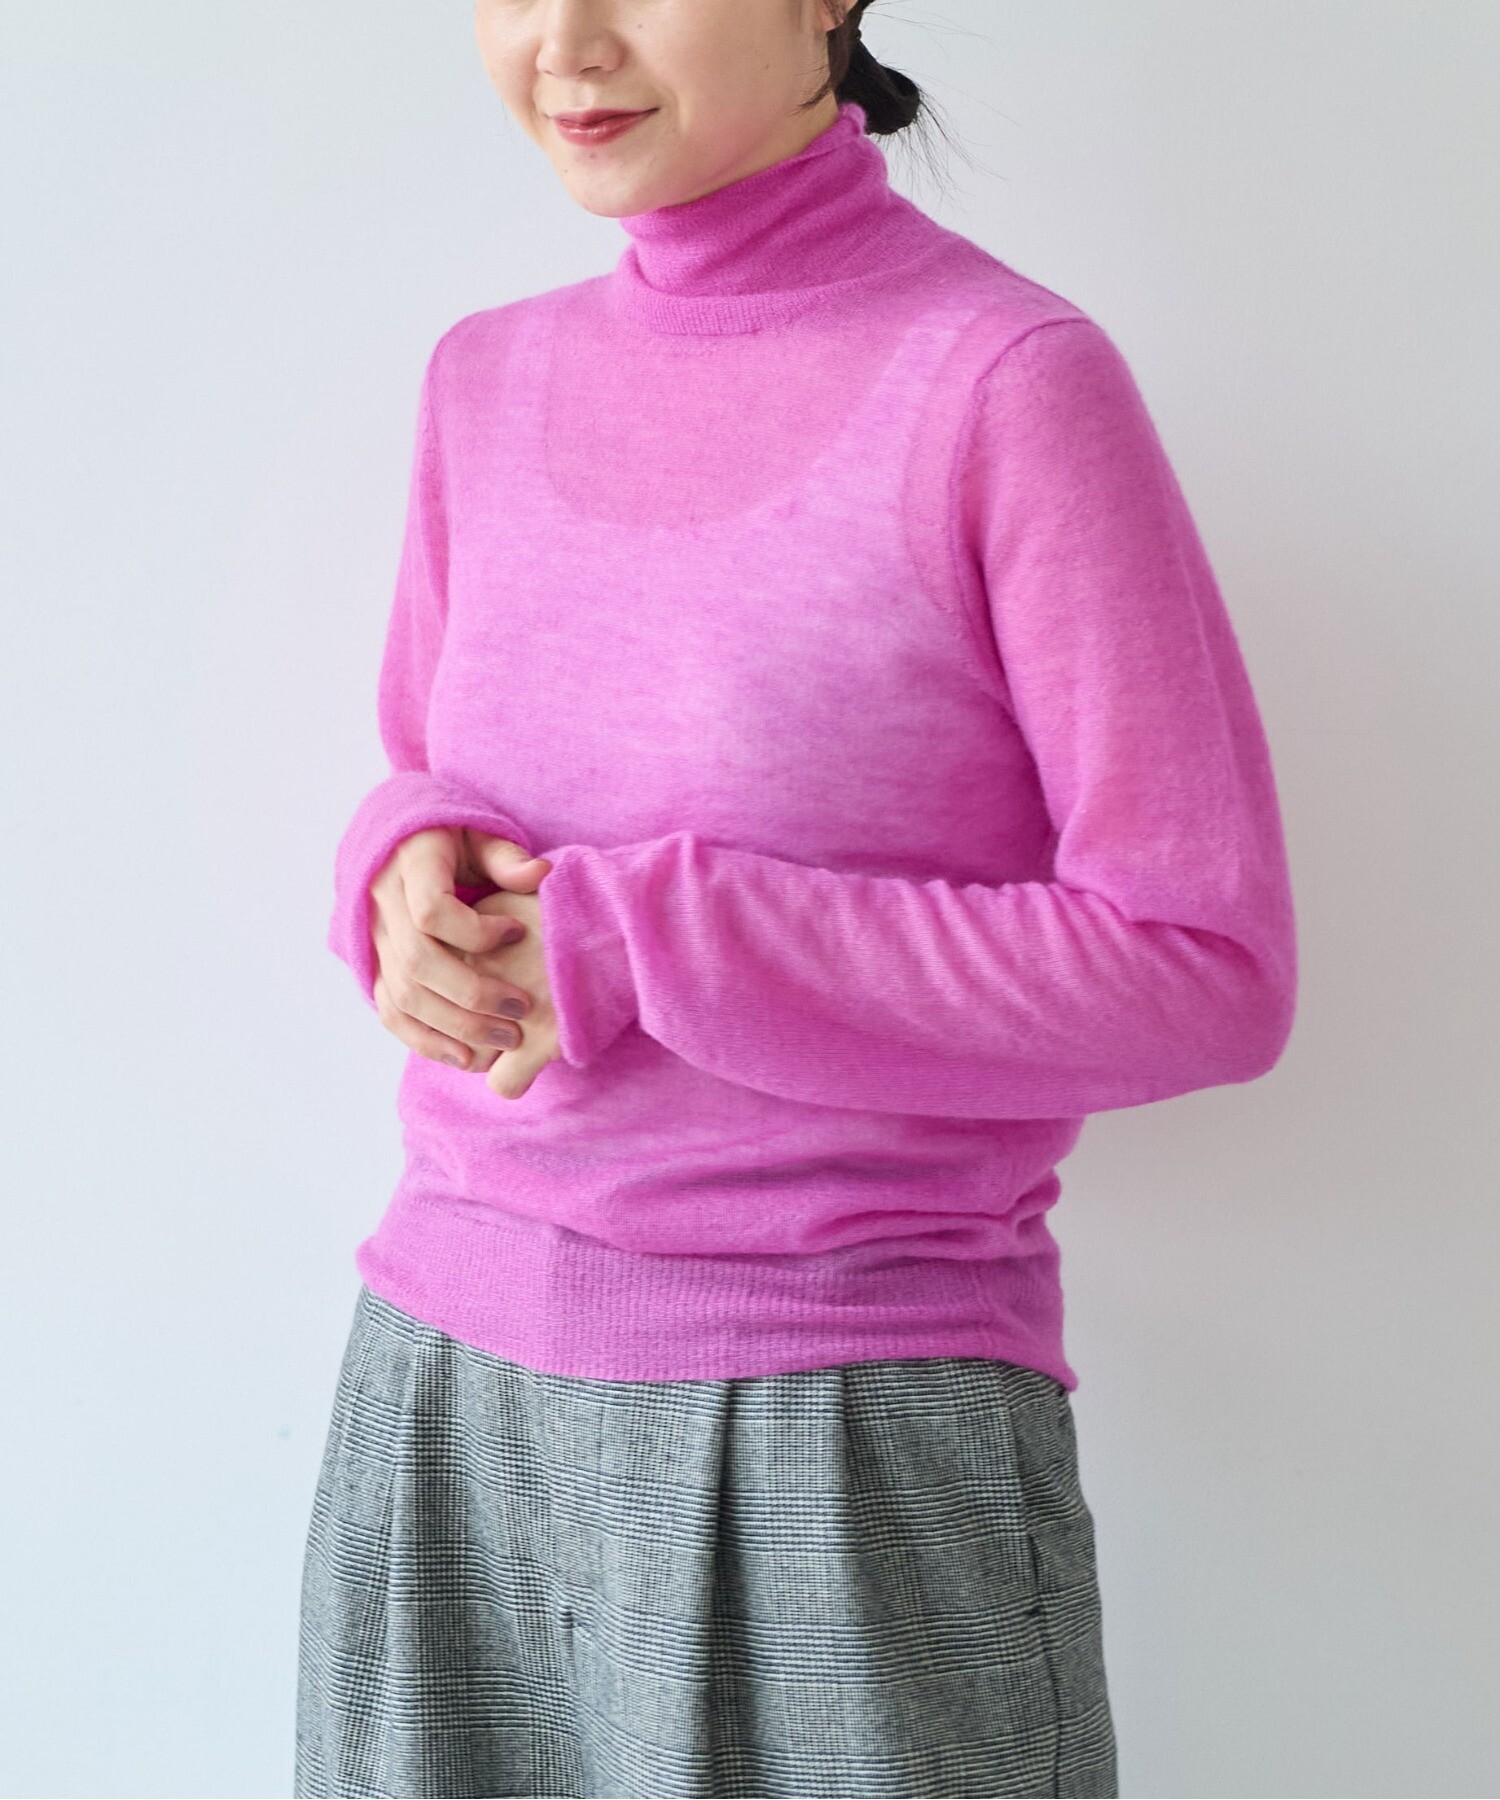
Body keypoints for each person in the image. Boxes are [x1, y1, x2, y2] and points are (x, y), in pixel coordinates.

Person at [295, 1, 1298, 1795]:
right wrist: (400, 868)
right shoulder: (483, 379)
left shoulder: (1007, 384)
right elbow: (429, 771)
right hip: (444, 1389)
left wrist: (650, 941)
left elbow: (1201, 963)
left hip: (840, 1430)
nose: (566, 41)